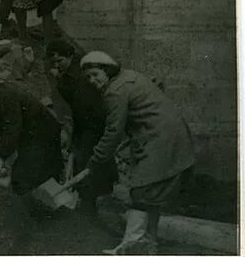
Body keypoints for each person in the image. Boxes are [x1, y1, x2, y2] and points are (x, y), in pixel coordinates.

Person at [76, 51, 195, 255]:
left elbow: (113, 132)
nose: (92, 80)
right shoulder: (129, 76)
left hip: (161, 138)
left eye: (95, 74)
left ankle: (132, 244)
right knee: (152, 191)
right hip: (172, 134)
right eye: (88, 77)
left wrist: (94, 163)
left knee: (142, 189)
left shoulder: (114, 91)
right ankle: (148, 243)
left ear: (107, 71)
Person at [0, 69, 63, 250]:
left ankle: (34, 222)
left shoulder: (2, 96)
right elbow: (8, 125)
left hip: (41, 135)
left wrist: (1, 154)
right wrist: (1, 151)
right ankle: (42, 213)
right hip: (34, 135)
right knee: (27, 174)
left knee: (23, 178)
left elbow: (12, 127)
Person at [45, 39, 118, 219]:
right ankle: (90, 203)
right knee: (88, 163)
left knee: (87, 162)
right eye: (53, 62)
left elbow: (78, 101)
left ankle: (89, 206)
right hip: (86, 122)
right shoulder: (70, 72)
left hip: (92, 124)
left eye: (60, 61)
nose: (57, 65)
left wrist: (60, 81)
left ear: (70, 56)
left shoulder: (79, 73)